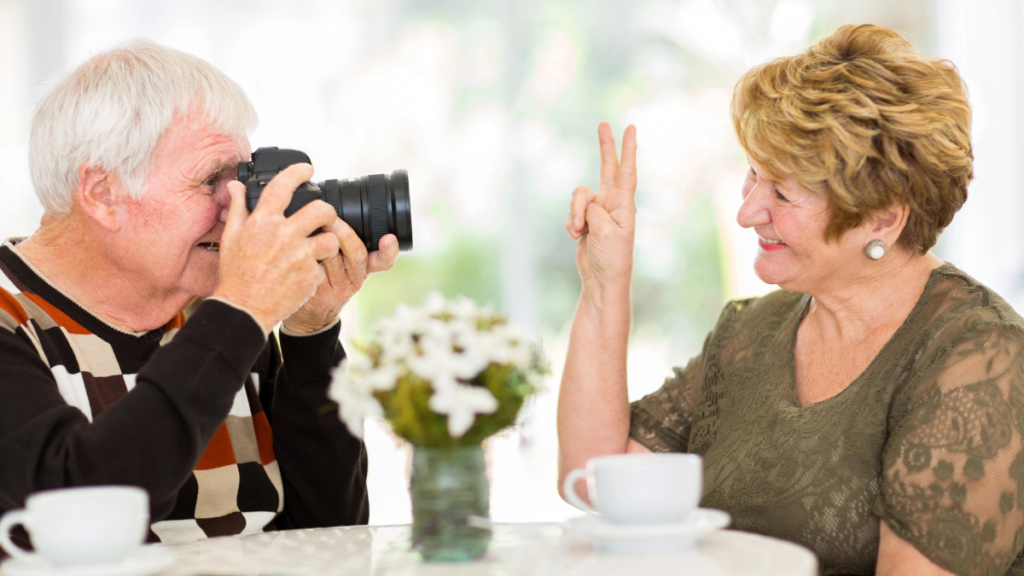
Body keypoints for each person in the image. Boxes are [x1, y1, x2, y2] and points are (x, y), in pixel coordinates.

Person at [558, 24, 1024, 576]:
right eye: (753, 175)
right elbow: (595, 481)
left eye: (782, 192)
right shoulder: (750, 332)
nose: (748, 211)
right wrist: (604, 285)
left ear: (882, 218)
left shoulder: (979, 357)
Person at [0, 40, 399, 544]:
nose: (241, 210)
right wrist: (244, 309)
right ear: (102, 194)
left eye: (244, 180)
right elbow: (81, 506)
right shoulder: (11, 316)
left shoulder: (216, 311)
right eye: (214, 180)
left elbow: (328, 535)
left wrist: (308, 335)